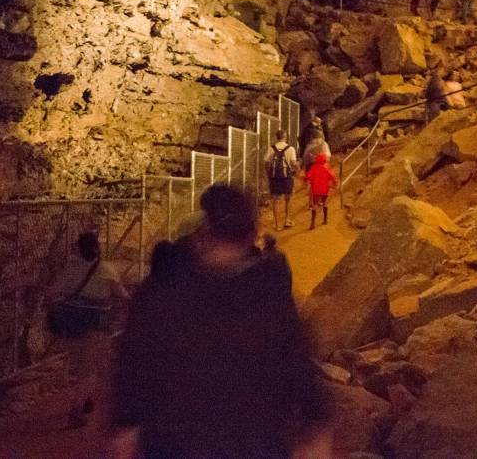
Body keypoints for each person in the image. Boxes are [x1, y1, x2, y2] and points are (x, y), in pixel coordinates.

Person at [111, 185, 333, 458]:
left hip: (176, 441)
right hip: (254, 441)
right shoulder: (267, 293)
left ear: (205, 229)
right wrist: (315, 419)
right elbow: (296, 360)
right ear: (251, 234)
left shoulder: (165, 288)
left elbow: (135, 360)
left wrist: (126, 422)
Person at [50, 232, 128, 428]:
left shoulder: (71, 269)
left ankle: (85, 399)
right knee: (90, 370)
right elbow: (122, 295)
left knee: (80, 367)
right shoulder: (106, 269)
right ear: (97, 248)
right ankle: (76, 409)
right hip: (96, 327)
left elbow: (53, 291)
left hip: (73, 326)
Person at [264, 129, 297, 230]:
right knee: (288, 198)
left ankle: (277, 225)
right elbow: (293, 163)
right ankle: (287, 220)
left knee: (276, 200)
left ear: (276, 137)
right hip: (287, 177)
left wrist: (269, 174)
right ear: (285, 137)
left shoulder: (271, 148)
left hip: (274, 178)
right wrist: (296, 170)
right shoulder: (291, 149)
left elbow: (266, 163)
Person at [305, 153, 337, 230]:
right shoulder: (326, 167)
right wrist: (335, 184)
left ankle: (313, 223)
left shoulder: (314, 167)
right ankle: (325, 220)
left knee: (315, 205)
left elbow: (308, 176)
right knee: (325, 203)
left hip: (316, 189)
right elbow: (332, 176)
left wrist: (306, 181)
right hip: (325, 189)